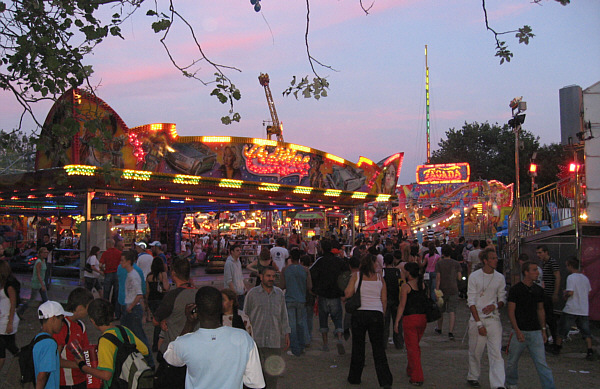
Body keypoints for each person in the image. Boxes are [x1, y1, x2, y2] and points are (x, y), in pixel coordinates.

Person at [163, 286, 265, 389]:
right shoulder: (243, 338)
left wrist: (189, 324)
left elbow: (170, 358)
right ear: (221, 308)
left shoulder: (185, 343)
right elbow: (256, 383)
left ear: (196, 310)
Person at [344, 254, 393, 388]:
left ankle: (355, 377)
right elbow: (384, 299)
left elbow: (348, 293)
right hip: (376, 313)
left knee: (358, 346)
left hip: (360, 313)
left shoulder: (356, 276)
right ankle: (385, 380)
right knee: (378, 349)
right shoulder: (380, 278)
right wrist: (382, 314)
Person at [505, 261, 556, 389]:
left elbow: (540, 310)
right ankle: (511, 383)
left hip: (535, 331)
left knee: (541, 363)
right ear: (526, 272)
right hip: (520, 330)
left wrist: (543, 330)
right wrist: (517, 330)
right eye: (534, 270)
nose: (537, 273)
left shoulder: (538, 290)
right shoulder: (516, 290)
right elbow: (511, 311)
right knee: (512, 362)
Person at [82, 298, 150, 389]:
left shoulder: (105, 341)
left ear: (93, 321)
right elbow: (145, 351)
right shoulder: (124, 330)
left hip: (117, 384)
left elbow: (106, 375)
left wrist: (84, 367)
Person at [153, 258, 197, 388]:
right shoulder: (199, 293)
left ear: (173, 273)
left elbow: (155, 320)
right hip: (195, 351)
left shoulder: (173, 296)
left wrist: (162, 321)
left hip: (175, 351)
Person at [466, 247, 506, 389]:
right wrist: (478, 323)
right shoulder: (475, 277)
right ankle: (473, 375)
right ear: (485, 261)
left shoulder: (499, 278)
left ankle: (498, 384)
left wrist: (494, 306)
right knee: (476, 351)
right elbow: (471, 301)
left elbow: (502, 298)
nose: (496, 261)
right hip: (477, 319)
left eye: (496, 258)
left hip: (493, 319)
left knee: (496, 353)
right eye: (493, 258)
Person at [244, 266, 290, 388]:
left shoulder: (279, 294)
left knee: (272, 375)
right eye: (268, 276)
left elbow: (283, 315)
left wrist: (286, 333)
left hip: (274, 341)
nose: (271, 279)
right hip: (256, 341)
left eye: (273, 276)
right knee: (255, 375)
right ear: (261, 277)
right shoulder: (252, 294)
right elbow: (245, 317)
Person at [310, 239, 349, 354]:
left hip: (323, 294)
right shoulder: (339, 261)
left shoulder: (320, 261)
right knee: (337, 319)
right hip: (336, 294)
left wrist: (315, 289)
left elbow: (311, 273)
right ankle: (340, 339)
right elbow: (346, 273)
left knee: (323, 320)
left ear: (321, 248)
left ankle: (325, 344)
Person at [53, 287, 94, 389]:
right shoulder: (61, 326)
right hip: (66, 383)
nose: (89, 312)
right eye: (88, 308)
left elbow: (85, 350)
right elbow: (54, 360)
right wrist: (79, 365)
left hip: (81, 379)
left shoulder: (81, 325)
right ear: (80, 307)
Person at [119, 250, 154, 368]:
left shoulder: (133, 275)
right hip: (130, 307)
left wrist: (131, 306)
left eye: (122, 261)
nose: (120, 263)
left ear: (128, 262)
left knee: (138, 335)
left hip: (132, 308)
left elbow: (139, 293)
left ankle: (149, 361)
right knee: (130, 335)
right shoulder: (131, 274)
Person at [553, 257, 593, 359]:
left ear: (570, 266)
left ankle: (557, 347)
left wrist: (565, 295)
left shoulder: (571, 277)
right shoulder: (585, 278)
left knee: (562, 329)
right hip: (583, 309)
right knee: (585, 331)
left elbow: (570, 292)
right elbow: (588, 292)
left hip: (571, 308)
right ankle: (589, 350)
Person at [394, 262, 427, 386]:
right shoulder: (423, 285)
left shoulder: (406, 287)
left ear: (408, 273)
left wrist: (397, 321)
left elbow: (402, 306)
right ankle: (411, 368)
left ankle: (417, 376)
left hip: (410, 319)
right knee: (414, 346)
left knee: (412, 348)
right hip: (422, 318)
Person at [280, 248, 312, 356]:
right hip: (301, 299)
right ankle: (302, 346)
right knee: (301, 323)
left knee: (292, 325)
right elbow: (309, 286)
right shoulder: (305, 270)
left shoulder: (285, 270)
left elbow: (282, 285)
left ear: (290, 257)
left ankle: (294, 348)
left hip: (289, 299)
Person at [35, 301, 70, 389]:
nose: (62, 324)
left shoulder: (38, 338)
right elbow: (42, 376)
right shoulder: (50, 344)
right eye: (61, 320)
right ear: (53, 318)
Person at [434, 244, 462, 340]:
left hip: (442, 289)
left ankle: (439, 328)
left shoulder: (439, 264)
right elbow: (459, 277)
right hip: (453, 288)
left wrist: (437, 291)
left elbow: (438, 278)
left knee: (440, 310)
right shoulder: (456, 263)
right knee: (452, 311)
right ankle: (450, 331)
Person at [536, 245, 560, 348]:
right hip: (545, 293)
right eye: (538, 253)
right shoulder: (544, 263)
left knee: (550, 319)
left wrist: (555, 293)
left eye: (540, 253)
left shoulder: (552, 262)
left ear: (546, 252)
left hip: (549, 294)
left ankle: (555, 341)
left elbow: (557, 277)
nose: (538, 255)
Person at [146, 256, 169, 352]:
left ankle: (155, 344)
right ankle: (157, 343)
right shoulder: (162, 274)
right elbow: (166, 287)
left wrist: (147, 303)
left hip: (151, 300)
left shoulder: (149, 276)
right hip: (160, 299)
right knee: (160, 322)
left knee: (156, 321)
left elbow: (147, 291)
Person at [0, 261, 20, 372]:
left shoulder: (9, 286)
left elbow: (13, 305)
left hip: (6, 320)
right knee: (10, 345)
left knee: (2, 349)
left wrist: (10, 322)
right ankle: (22, 361)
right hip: (4, 319)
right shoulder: (4, 283)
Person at [382, 253, 403, 350]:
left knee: (385, 324)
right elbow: (402, 285)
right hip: (396, 299)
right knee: (397, 322)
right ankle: (399, 343)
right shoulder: (398, 271)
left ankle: (383, 343)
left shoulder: (382, 272)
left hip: (385, 299)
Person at [99, 239, 121, 318]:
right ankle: (117, 313)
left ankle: (106, 313)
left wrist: (103, 270)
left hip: (108, 273)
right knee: (117, 294)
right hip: (117, 274)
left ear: (108, 244)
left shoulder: (105, 253)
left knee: (106, 294)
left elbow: (100, 264)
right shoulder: (119, 253)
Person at [224, 244, 246, 309]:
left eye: (240, 250)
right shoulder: (229, 263)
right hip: (234, 293)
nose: (239, 252)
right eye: (237, 250)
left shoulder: (238, 262)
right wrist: (234, 292)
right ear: (232, 252)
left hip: (240, 291)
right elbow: (229, 280)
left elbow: (240, 275)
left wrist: (244, 286)